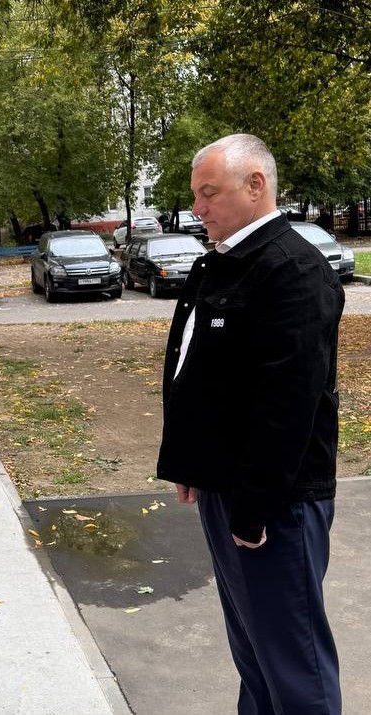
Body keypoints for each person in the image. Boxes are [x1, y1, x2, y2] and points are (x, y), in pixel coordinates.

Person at [157, 134, 345, 714]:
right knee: (255, 654)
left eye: (209, 193)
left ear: (256, 185)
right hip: (225, 484)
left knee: (293, 663)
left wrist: (255, 505)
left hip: (274, 501)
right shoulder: (222, 264)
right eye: (196, 195)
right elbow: (198, 371)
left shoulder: (291, 270)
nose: (198, 208)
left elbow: (287, 402)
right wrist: (191, 462)